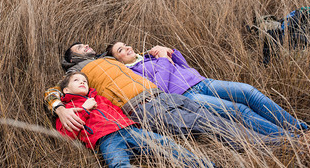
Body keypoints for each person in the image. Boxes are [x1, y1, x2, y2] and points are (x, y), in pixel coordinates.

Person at [45, 42, 280, 153]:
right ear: (72, 59)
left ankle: (278, 140)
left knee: (216, 116)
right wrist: (58, 107)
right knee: (207, 124)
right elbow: (54, 90)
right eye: (79, 47)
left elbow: (138, 62)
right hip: (142, 106)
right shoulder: (77, 72)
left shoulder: (107, 60)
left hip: (161, 96)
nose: (86, 45)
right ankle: (276, 147)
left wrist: (161, 52)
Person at [105, 41, 310, 139]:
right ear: (117, 60)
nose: (128, 48)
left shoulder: (149, 55)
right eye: (121, 50)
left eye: (125, 45)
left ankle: (301, 128)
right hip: (187, 95)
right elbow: (161, 85)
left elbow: (183, 66)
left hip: (202, 81)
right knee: (238, 110)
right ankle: (290, 139)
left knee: (249, 91)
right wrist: (162, 60)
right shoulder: (131, 74)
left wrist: (171, 52)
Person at [56, 71, 213, 168]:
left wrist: (130, 123)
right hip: (106, 140)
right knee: (119, 164)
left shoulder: (99, 98)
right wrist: (85, 109)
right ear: (66, 90)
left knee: (166, 145)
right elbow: (67, 134)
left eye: (84, 80)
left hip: (130, 130)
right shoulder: (66, 110)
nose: (82, 82)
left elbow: (117, 111)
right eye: (76, 80)